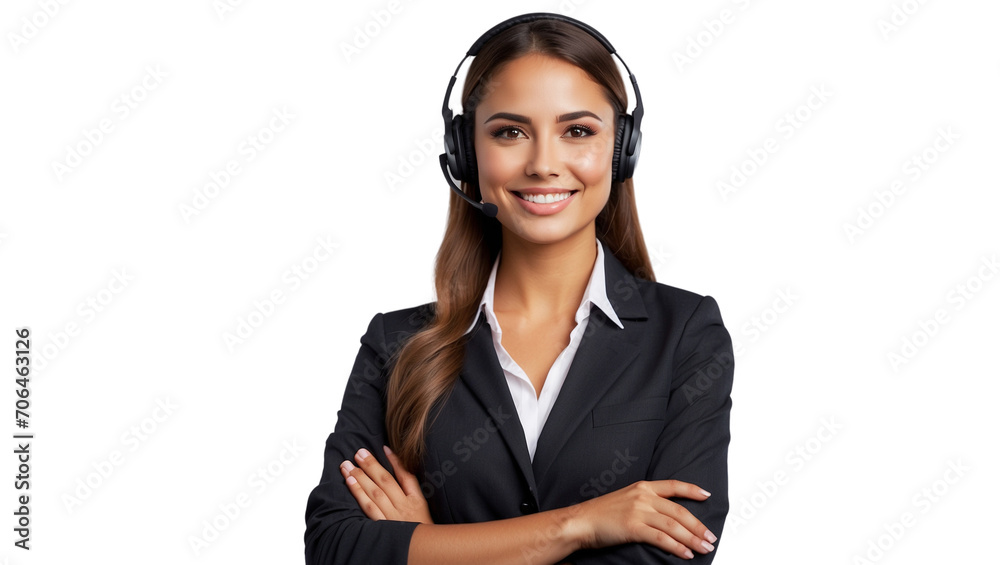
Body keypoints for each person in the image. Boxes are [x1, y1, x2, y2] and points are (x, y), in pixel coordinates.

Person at [304, 12, 735, 564]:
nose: (543, 164)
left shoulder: (686, 335)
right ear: (465, 152)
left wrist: (429, 545)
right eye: (509, 132)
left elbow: (678, 552)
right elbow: (336, 549)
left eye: (577, 131)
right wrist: (579, 526)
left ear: (622, 148)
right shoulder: (395, 344)